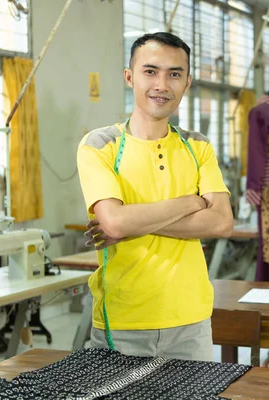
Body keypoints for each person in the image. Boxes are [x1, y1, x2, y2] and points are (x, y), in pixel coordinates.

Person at [76, 32, 233, 361]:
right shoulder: (99, 144)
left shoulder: (198, 146)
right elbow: (115, 224)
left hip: (192, 321)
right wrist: (191, 203)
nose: (162, 84)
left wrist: (130, 221)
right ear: (129, 77)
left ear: (187, 82)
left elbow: (221, 222)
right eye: (150, 71)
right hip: (122, 320)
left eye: (174, 74)